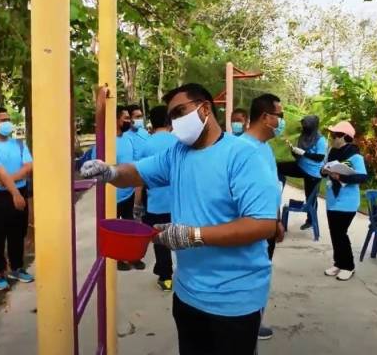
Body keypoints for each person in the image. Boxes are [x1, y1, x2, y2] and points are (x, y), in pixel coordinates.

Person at [81, 83, 280, 355]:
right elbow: (137, 172)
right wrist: (111, 173)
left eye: (180, 112)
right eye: (171, 117)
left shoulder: (242, 155)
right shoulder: (177, 154)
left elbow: (263, 224)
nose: (175, 122)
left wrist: (193, 235)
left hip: (233, 299)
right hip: (187, 293)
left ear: (205, 109)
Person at [239, 93, 286, 340]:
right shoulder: (242, 150)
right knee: (248, 277)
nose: (282, 121)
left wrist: (275, 220)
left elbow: (269, 190)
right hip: (250, 231)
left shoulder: (265, 148)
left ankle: (254, 322)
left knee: (260, 277)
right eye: (280, 115)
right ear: (266, 117)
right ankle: (247, 326)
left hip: (266, 227)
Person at [0, 107, 34, 290]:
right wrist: (15, 194)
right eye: (3, 120)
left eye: (8, 118)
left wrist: (11, 180)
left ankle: (17, 268)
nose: (8, 122)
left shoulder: (19, 144)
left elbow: (29, 167)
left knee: (18, 233)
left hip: (18, 189)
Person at [92, 106, 145, 271]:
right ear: (115, 120)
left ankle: (133, 257)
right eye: (125, 118)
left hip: (128, 193)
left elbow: (136, 164)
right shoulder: (104, 143)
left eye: (129, 118)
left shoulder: (128, 139)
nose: (129, 121)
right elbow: (96, 169)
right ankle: (118, 258)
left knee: (131, 227)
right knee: (114, 229)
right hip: (111, 195)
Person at [321, 121, 368, 281]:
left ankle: (349, 266)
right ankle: (338, 263)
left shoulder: (355, 156)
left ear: (345, 137)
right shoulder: (331, 152)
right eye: (332, 135)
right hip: (332, 199)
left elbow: (362, 176)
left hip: (347, 202)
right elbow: (322, 168)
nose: (332, 138)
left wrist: (341, 176)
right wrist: (324, 170)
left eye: (335, 135)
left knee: (341, 233)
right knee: (334, 233)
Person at [137, 105, 177, 292]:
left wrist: (138, 202)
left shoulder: (146, 145)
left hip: (155, 203)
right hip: (179, 202)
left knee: (161, 241)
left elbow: (140, 177)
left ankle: (166, 277)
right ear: (170, 121)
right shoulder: (179, 142)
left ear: (151, 122)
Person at [277, 115, 327, 230]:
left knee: (310, 197)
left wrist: (304, 153)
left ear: (312, 126)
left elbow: (320, 157)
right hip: (300, 166)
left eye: (306, 125)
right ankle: (278, 189)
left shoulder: (320, 139)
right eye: (303, 124)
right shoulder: (303, 136)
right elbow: (299, 154)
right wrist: (294, 151)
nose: (304, 127)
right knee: (279, 167)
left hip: (313, 173)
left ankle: (311, 220)